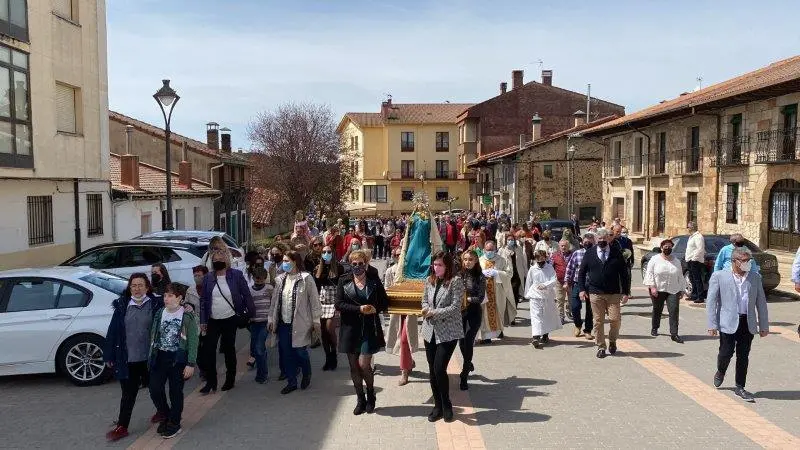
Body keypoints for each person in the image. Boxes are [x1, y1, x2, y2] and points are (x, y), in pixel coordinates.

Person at [103, 274, 164, 442]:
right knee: (128, 395)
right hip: (128, 359)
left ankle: (164, 413)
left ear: (147, 287)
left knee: (155, 389)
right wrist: (109, 355)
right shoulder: (122, 306)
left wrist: (186, 307)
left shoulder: (157, 304)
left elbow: (174, 312)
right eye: (133, 286)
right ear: (129, 288)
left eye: (140, 285)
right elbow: (113, 331)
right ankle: (122, 426)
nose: (137, 289)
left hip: (150, 358)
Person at [707, 247, 769, 402]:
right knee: (726, 352)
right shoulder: (720, 276)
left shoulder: (755, 277)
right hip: (727, 321)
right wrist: (712, 324)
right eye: (744, 261)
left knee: (743, 355)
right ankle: (721, 371)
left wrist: (763, 325)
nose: (747, 263)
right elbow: (711, 301)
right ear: (734, 261)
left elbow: (761, 302)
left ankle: (740, 386)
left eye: (749, 261)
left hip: (747, 322)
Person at [336, 249, 389, 415]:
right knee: (354, 367)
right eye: (354, 264)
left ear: (366, 264)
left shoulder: (374, 280)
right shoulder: (343, 281)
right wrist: (359, 309)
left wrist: (375, 308)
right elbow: (339, 304)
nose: (357, 266)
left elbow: (384, 302)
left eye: (361, 263)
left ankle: (371, 394)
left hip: (368, 328)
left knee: (364, 364)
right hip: (350, 329)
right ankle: (360, 399)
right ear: (350, 265)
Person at [199, 249, 254, 394]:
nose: (217, 261)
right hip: (213, 320)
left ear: (226, 260)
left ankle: (230, 379)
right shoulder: (208, 278)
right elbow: (204, 300)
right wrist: (203, 320)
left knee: (229, 349)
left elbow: (246, 294)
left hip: (230, 318)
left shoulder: (235, 275)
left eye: (220, 258)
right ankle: (211, 382)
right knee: (208, 351)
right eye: (214, 259)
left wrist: (250, 312)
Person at [147, 283, 199, 439]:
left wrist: (191, 363)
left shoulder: (187, 316)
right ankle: (166, 415)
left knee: (175, 391)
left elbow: (193, 341)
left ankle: (175, 423)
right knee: (155, 389)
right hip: (160, 356)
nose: (166, 299)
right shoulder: (159, 313)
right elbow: (153, 334)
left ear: (179, 298)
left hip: (178, 358)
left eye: (170, 296)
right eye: (165, 295)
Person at [268, 250, 322, 395]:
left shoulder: (306, 278)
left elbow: (314, 301)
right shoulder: (280, 280)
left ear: (295, 262)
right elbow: (274, 302)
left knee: (300, 352)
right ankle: (291, 382)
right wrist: (271, 319)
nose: (284, 264)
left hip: (301, 322)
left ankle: (307, 372)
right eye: (284, 261)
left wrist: (316, 321)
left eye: (287, 261)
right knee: (286, 353)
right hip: (283, 323)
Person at [421, 251, 465, 423]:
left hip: (448, 332)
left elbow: (455, 307)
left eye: (440, 265)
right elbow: (424, 300)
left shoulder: (455, 281)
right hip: (429, 330)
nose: (436, 267)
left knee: (440, 368)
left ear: (447, 266)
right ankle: (437, 405)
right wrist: (425, 309)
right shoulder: (429, 280)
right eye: (435, 264)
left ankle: (447, 404)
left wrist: (433, 312)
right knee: (432, 370)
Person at [578, 228, 631, 359]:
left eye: (604, 239)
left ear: (608, 239)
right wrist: (581, 289)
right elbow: (582, 272)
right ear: (596, 240)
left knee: (615, 319)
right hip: (595, 292)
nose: (602, 241)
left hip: (613, 293)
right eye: (599, 239)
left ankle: (612, 340)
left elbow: (624, 274)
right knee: (598, 320)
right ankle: (601, 346)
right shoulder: (589, 253)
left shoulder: (616, 252)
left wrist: (625, 292)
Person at [384, 248, 419, 386]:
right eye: (397, 254)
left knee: (405, 340)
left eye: (402, 255)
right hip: (397, 309)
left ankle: (405, 369)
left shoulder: (412, 272)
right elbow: (386, 289)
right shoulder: (389, 271)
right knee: (400, 340)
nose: (400, 257)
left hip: (410, 309)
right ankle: (407, 364)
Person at [643, 239, 686, 343]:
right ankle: (655, 327)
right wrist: (652, 287)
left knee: (674, 310)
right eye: (666, 247)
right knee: (657, 309)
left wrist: (682, 289)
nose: (668, 248)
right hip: (658, 289)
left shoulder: (676, 261)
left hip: (673, 289)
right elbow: (649, 273)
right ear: (661, 248)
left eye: (670, 247)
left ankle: (674, 333)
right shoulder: (654, 259)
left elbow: (680, 275)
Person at [478, 241, 516, 343]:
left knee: (498, 312)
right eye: (487, 250)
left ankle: (498, 331)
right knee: (484, 315)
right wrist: (481, 274)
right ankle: (486, 337)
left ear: (495, 249)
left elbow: (509, 274)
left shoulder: (502, 260)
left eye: (491, 250)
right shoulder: (480, 260)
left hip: (498, 292)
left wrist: (497, 273)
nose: (489, 252)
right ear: (484, 250)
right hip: (484, 292)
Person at [458, 250, 485, 391]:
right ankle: (468, 363)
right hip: (460, 313)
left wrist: (467, 299)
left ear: (475, 261)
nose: (468, 262)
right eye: (466, 259)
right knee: (461, 342)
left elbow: (480, 297)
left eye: (471, 259)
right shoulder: (459, 275)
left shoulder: (480, 276)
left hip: (474, 312)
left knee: (468, 341)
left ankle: (464, 374)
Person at [524, 250, 563, 348]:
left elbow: (554, 280)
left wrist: (545, 285)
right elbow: (529, 282)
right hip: (535, 295)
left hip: (547, 295)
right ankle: (535, 337)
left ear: (545, 258)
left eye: (542, 259)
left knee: (546, 315)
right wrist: (527, 294)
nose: (540, 261)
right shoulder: (532, 269)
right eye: (538, 259)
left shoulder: (549, 268)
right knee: (536, 316)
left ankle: (545, 335)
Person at [314, 245, 341, 371]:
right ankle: (328, 357)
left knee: (330, 328)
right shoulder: (318, 268)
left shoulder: (339, 267)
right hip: (322, 301)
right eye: (324, 252)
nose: (326, 253)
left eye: (329, 251)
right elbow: (316, 286)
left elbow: (342, 285)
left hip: (334, 301)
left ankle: (334, 353)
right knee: (323, 332)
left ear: (333, 253)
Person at [565, 233, 595, 339]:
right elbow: (570, 268)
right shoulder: (577, 253)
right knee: (575, 306)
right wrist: (566, 281)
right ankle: (577, 325)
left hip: (592, 285)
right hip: (578, 283)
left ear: (594, 242)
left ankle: (588, 330)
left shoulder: (596, 253)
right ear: (582, 242)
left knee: (590, 309)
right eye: (586, 241)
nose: (587, 243)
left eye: (590, 241)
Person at [248, 266, 274, 383]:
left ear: (265, 278)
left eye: (261, 279)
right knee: (256, 348)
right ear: (253, 278)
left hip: (265, 322)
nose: (259, 281)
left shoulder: (269, 289)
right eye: (256, 279)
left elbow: (274, 304)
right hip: (254, 323)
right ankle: (260, 372)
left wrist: (272, 320)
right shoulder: (250, 290)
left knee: (259, 348)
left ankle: (263, 374)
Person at [499, 233, 527, 306]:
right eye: (508, 240)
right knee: (507, 293)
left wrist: (526, 273)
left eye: (512, 240)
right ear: (506, 240)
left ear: (514, 240)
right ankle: (509, 310)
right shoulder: (502, 250)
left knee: (515, 292)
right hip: (506, 275)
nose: (510, 241)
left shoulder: (519, 249)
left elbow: (524, 261)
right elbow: (499, 263)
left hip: (516, 274)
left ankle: (514, 309)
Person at [550, 239, 573, 323]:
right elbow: (550, 267)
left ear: (568, 246)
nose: (563, 247)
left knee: (571, 299)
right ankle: (561, 316)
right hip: (559, 281)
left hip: (571, 281)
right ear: (559, 246)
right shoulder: (555, 255)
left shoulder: (573, 254)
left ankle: (568, 311)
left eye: (565, 246)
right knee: (560, 299)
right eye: (562, 246)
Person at [685, 221, 706, 304]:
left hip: (695, 260)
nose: (688, 229)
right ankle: (694, 295)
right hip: (690, 260)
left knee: (697, 279)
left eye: (688, 227)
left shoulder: (698, 237)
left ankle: (700, 296)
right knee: (692, 278)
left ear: (692, 227)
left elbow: (700, 248)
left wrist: (694, 258)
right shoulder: (692, 237)